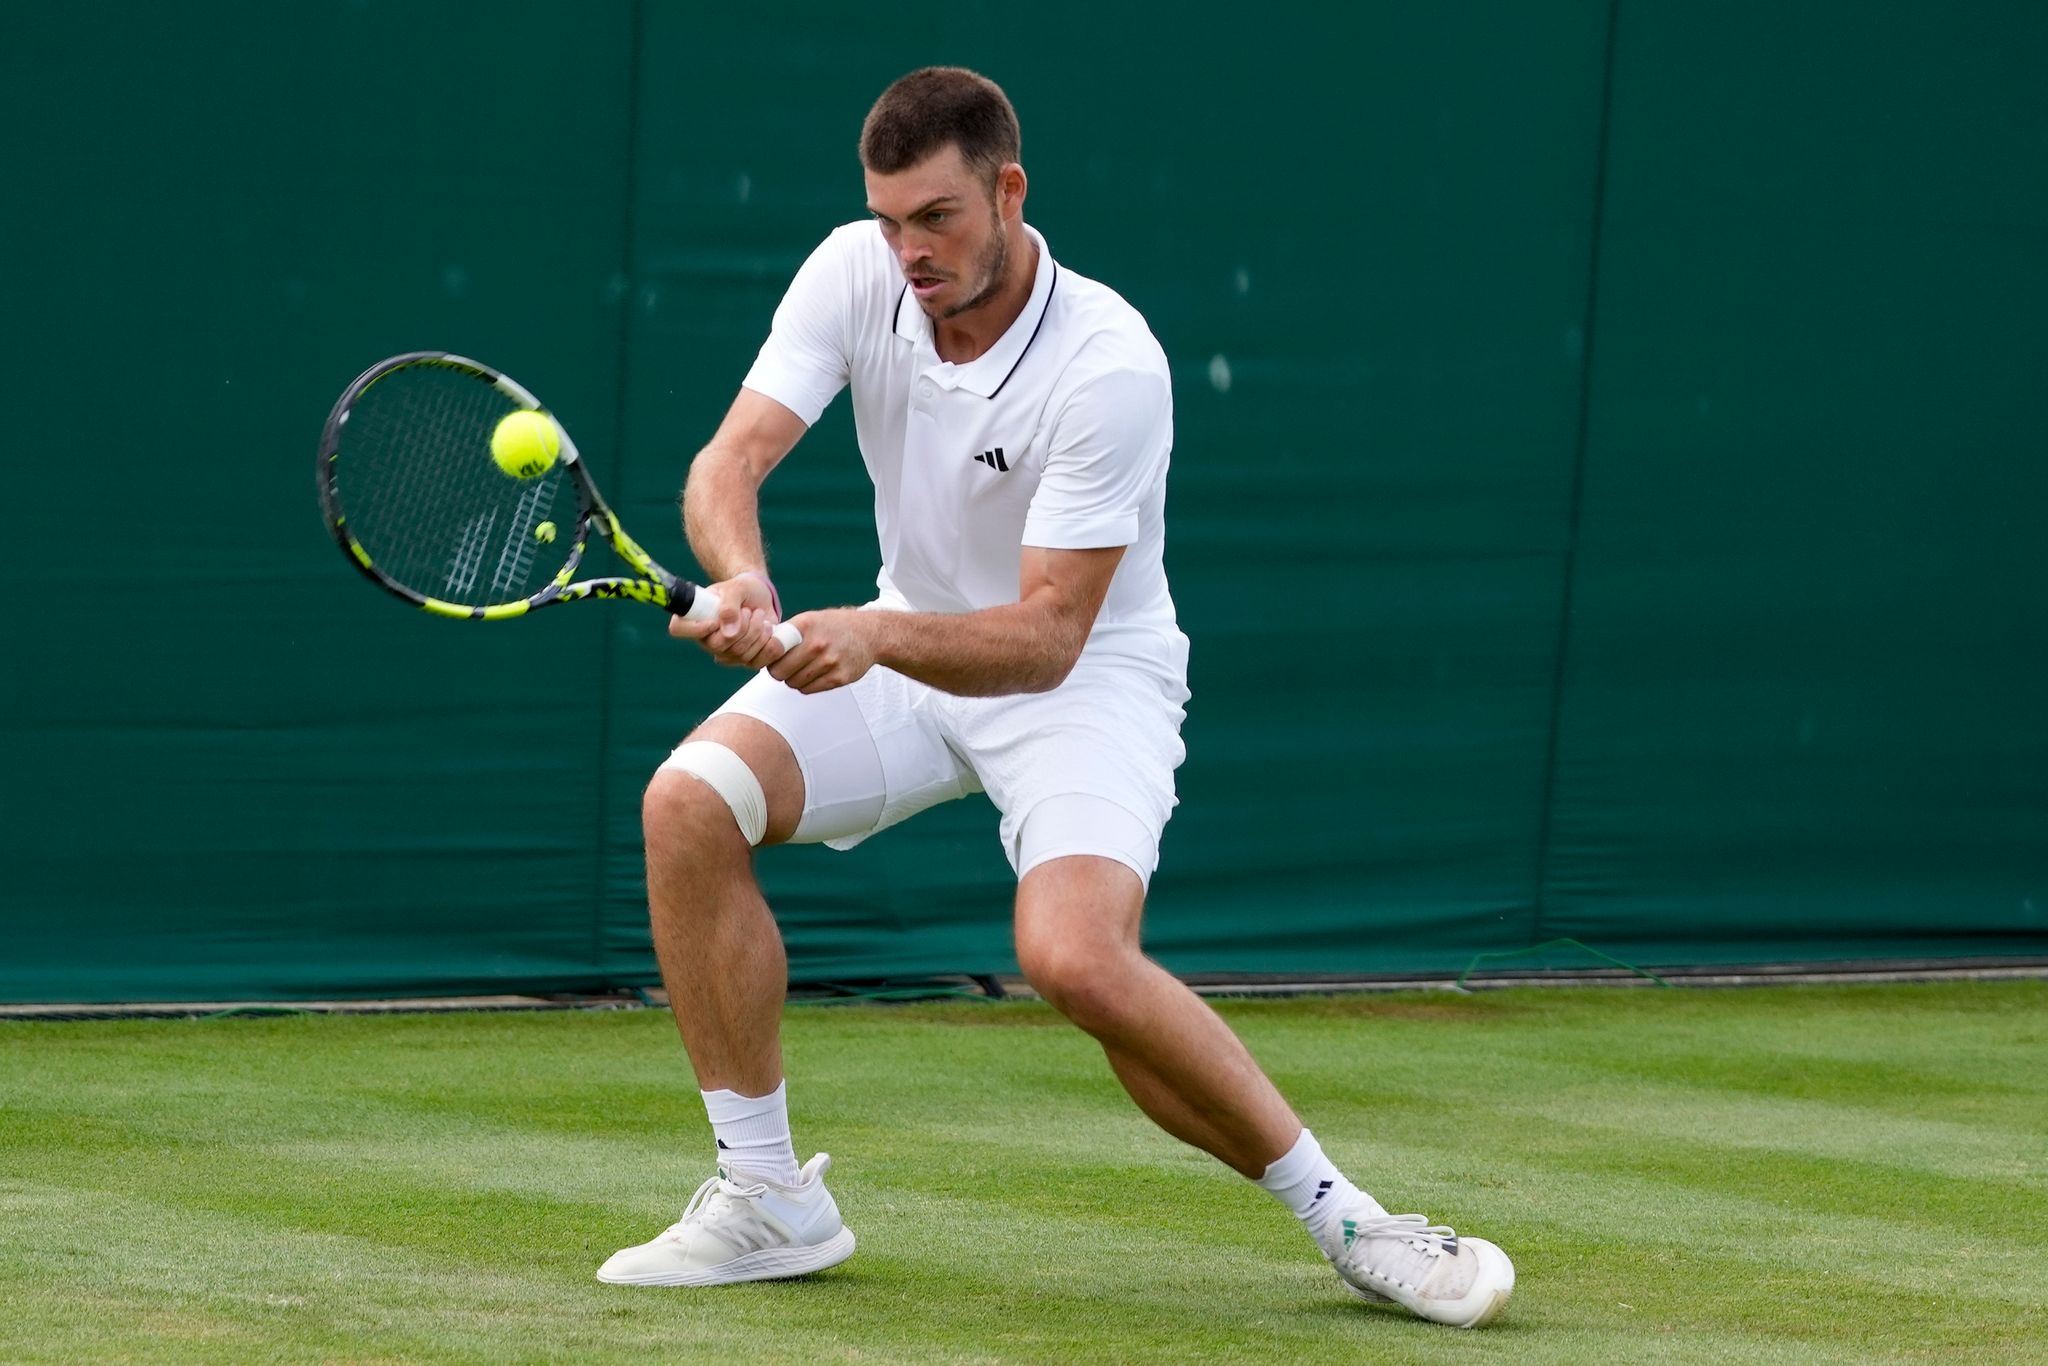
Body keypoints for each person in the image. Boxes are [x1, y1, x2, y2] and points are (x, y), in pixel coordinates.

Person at [594, 66, 1515, 1329]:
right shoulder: (852, 273)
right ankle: (767, 1200)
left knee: (1072, 957)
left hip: (1083, 680)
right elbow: (726, 463)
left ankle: (1348, 1216)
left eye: (938, 219)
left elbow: (1041, 639)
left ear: (1007, 190)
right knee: (686, 803)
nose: (908, 251)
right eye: (888, 221)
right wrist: (742, 575)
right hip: (907, 651)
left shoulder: (1108, 365)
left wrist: (869, 633)